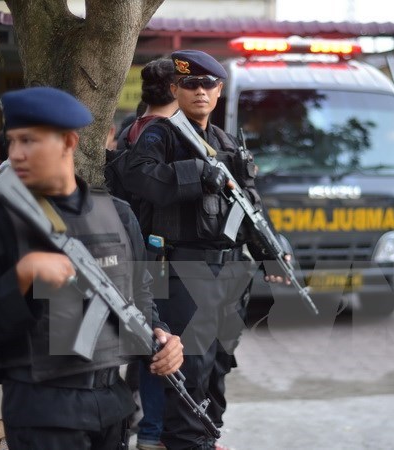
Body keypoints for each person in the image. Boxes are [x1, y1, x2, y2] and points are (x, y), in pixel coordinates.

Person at [0, 86, 183, 450]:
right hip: (42, 411)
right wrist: (22, 276)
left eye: (29, 141)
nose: (16, 153)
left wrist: (162, 334)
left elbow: (140, 294)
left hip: (112, 406)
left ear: (69, 142)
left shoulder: (117, 215)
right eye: (12, 142)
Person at [120, 50, 286, 450]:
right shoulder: (161, 134)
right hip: (182, 268)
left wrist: (274, 249)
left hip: (225, 272)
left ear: (219, 90)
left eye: (207, 84)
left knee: (218, 364)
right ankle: (184, 441)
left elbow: (249, 203)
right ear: (175, 89)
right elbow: (139, 179)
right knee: (190, 366)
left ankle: (207, 435)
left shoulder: (222, 140)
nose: (199, 92)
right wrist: (198, 174)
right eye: (189, 85)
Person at [106, 57, 179, 450]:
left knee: (142, 336)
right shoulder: (166, 134)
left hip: (125, 248)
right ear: (173, 90)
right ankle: (151, 433)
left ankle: (140, 424)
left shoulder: (128, 129)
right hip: (157, 254)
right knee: (158, 338)